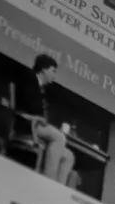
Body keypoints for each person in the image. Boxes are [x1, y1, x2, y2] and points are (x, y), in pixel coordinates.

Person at [6, 54, 73, 185]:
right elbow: (26, 107)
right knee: (60, 138)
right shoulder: (29, 79)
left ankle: (57, 189)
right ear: (43, 69)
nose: (54, 75)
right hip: (29, 124)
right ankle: (47, 181)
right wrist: (39, 118)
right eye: (53, 71)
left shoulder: (41, 88)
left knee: (68, 156)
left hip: (38, 125)